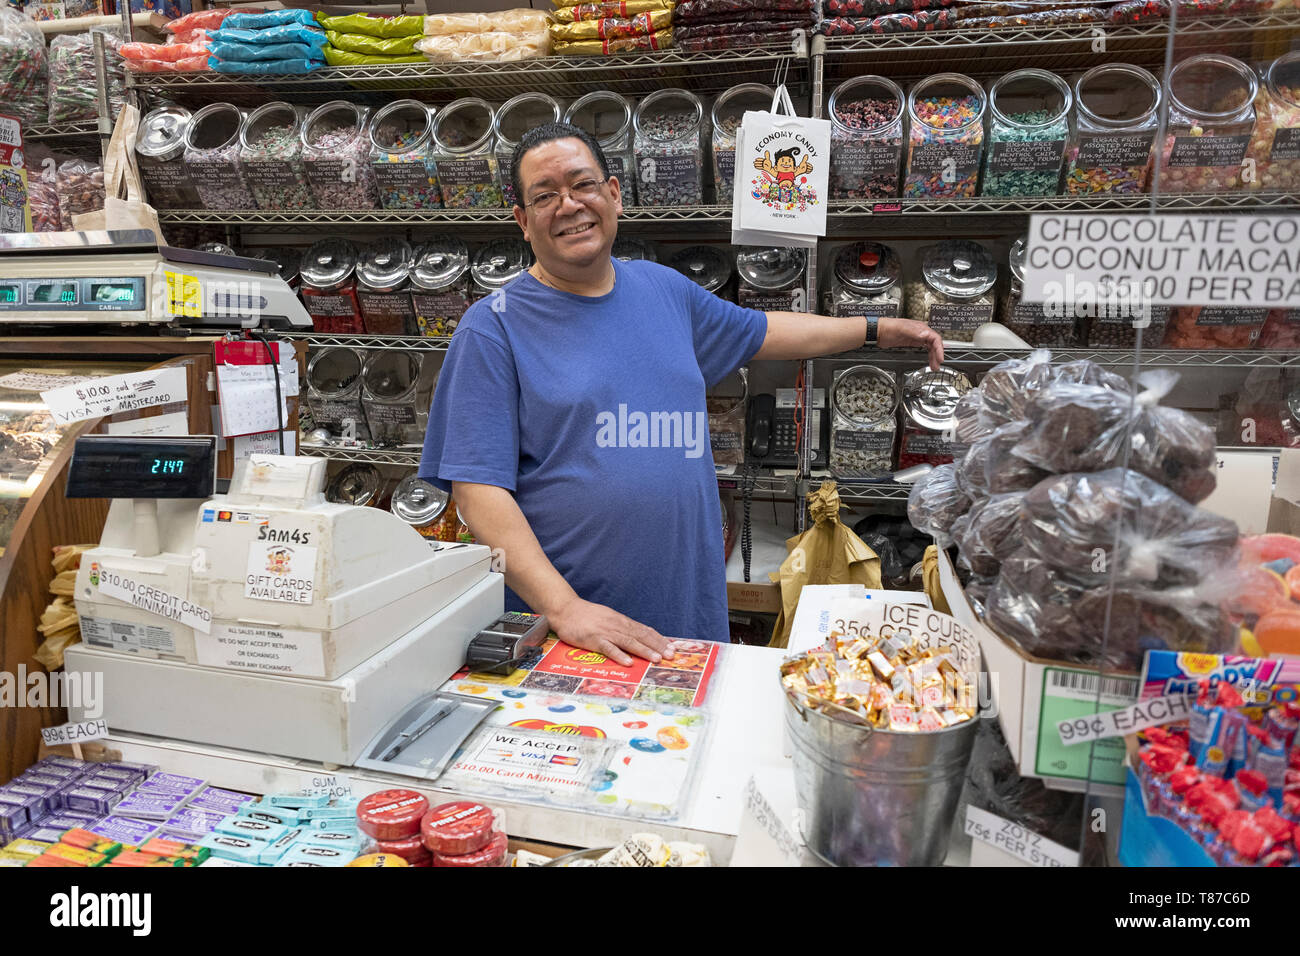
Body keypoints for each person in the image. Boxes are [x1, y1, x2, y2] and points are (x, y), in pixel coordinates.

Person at [419, 122, 941, 666]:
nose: (569, 205)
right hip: (574, 627)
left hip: (685, 604)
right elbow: (478, 492)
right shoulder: (492, 328)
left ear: (614, 195)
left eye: (582, 185)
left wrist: (876, 328)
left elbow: (762, 330)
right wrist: (566, 607)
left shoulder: (662, 288)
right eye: (544, 196)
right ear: (524, 223)